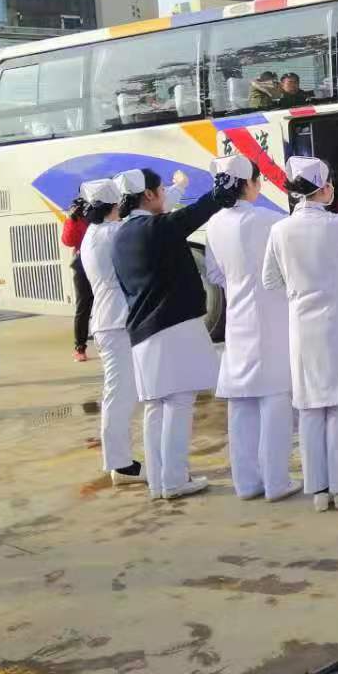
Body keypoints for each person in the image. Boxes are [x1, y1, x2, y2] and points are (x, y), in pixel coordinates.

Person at [262, 155, 338, 512]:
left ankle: (318, 490)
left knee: (310, 408)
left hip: (302, 327)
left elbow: (269, 280)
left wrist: (299, 290)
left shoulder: (279, 230)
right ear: (324, 188)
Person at [111, 167, 236, 501]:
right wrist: (219, 193)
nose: (165, 195)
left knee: (155, 407)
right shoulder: (155, 229)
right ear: (149, 194)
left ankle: (158, 482)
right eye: (162, 191)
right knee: (179, 403)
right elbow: (191, 216)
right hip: (172, 327)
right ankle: (175, 480)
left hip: (142, 332)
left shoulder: (120, 235)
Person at [204, 156, 300, 502]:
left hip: (238, 319)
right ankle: (276, 482)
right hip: (272, 316)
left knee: (241, 404)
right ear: (249, 184)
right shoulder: (271, 221)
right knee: (275, 400)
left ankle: (246, 483)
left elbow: (214, 274)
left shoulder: (214, 224)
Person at [76, 178, 145, 488]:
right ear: (114, 205)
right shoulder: (111, 233)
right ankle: (120, 465)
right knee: (119, 395)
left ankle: (121, 460)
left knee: (121, 393)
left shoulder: (94, 232)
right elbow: (141, 225)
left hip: (110, 319)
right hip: (115, 321)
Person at [61, 198, 92, 362]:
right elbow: (68, 240)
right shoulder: (77, 216)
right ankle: (80, 347)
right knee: (83, 306)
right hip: (82, 266)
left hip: (101, 262)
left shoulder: (102, 209)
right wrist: (72, 219)